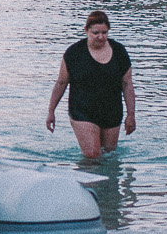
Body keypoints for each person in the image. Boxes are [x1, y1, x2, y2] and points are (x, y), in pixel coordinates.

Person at [45, 10, 135, 160]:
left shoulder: (119, 52)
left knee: (109, 156)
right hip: (82, 111)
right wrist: (51, 111)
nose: (101, 37)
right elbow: (61, 83)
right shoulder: (74, 53)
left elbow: (127, 85)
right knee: (93, 156)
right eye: (96, 33)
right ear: (86, 31)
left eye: (104, 32)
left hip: (111, 111)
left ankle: (106, 184)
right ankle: (83, 182)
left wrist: (131, 114)